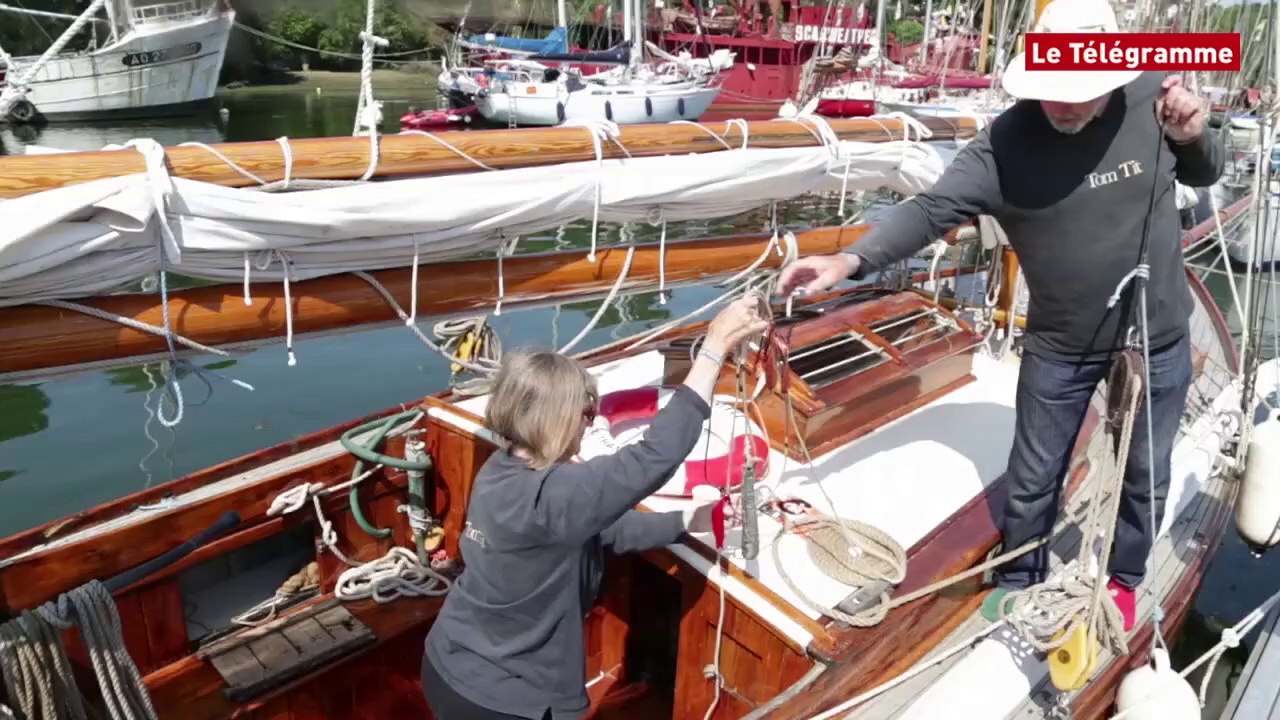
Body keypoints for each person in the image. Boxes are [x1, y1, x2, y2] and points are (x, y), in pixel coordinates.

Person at [776, 0, 1223, 633]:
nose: (1062, 105)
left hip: (1157, 337)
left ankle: (1123, 579)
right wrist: (849, 262)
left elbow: (1208, 169)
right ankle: (1019, 574)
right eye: (1050, 90)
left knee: (1146, 471)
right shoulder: (1006, 143)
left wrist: (1191, 135)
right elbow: (931, 211)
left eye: (1077, 91)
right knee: (1034, 473)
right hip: (1060, 345)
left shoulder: (1153, 97)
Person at [422, 294, 769, 720]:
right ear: (560, 418)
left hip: (447, 663)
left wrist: (684, 520)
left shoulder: (501, 470)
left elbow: (602, 530)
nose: (590, 421)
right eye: (588, 412)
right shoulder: (556, 494)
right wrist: (715, 345)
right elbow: (655, 455)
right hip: (507, 703)